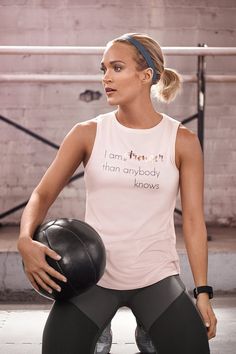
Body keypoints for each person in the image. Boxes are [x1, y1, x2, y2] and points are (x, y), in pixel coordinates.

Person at [17, 32, 217, 354]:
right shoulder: (87, 133)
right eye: (103, 69)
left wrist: (203, 292)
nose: (105, 77)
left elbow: (194, 221)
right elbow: (41, 195)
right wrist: (25, 239)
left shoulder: (182, 140)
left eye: (117, 68)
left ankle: (148, 330)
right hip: (92, 277)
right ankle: (101, 332)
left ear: (146, 76)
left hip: (155, 275)